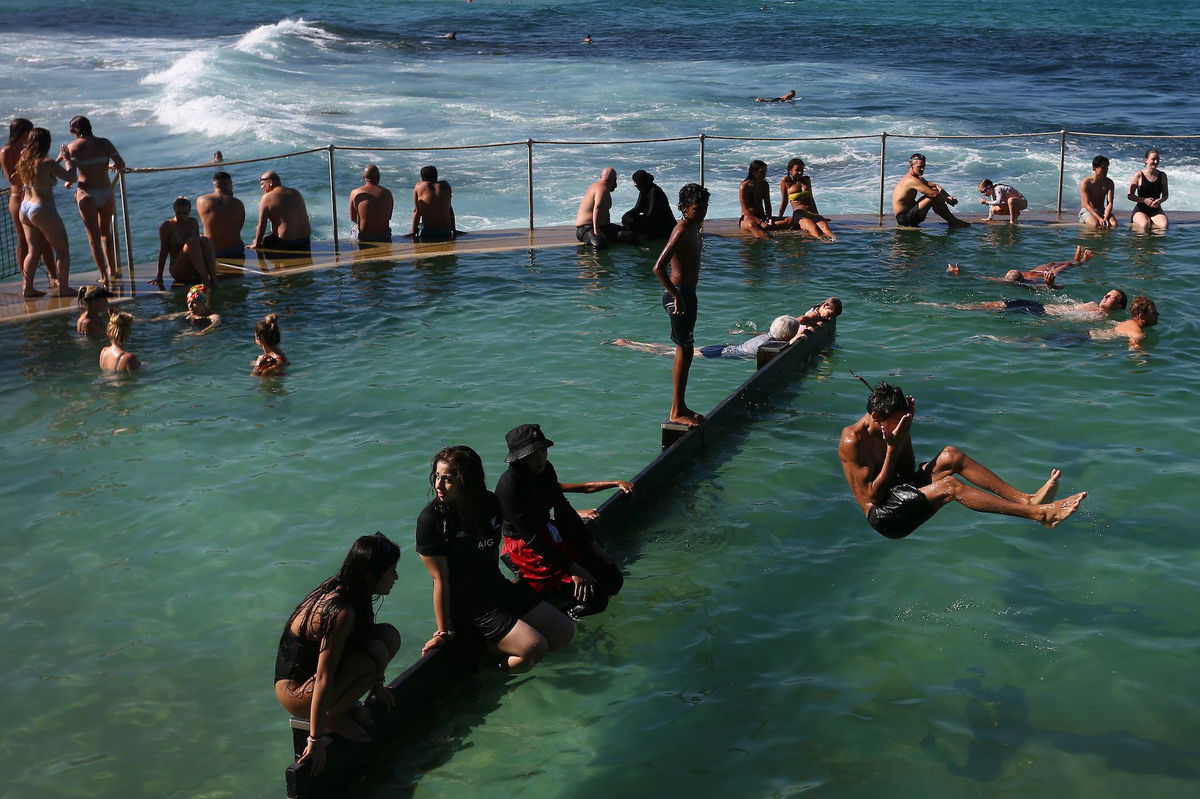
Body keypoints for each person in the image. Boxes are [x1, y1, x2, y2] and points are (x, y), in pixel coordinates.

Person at [838, 377, 1087, 540]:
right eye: (897, 421)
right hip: (885, 516)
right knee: (950, 487)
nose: (901, 425)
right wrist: (893, 448)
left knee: (950, 455)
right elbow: (872, 496)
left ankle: (1027, 499)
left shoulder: (894, 429)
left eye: (905, 420)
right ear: (876, 416)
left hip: (900, 491)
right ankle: (1040, 515)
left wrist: (904, 437)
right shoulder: (852, 440)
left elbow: (905, 471)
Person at [416, 445, 574, 672]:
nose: (438, 485)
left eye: (447, 479)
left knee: (563, 633)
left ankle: (497, 650)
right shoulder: (431, 521)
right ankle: (492, 672)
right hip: (468, 604)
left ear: (466, 480)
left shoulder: (490, 503)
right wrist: (443, 631)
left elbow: (526, 521)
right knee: (534, 646)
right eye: (437, 477)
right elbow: (440, 580)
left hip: (497, 587)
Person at [274, 533, 402, 774]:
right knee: (370, 658)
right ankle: (334, 716)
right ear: (370, 575)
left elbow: (362, 637)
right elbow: (324, 676)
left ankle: (341, 706)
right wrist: (315, 738)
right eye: (391, 570)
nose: (395, 577)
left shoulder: (352, 589)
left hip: (311, 683)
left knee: (388, 636)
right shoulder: (340, 611)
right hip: (295, 692)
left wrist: (377, 687)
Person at [495, 425, 625, 620]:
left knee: (613, 580)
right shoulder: (509, 487)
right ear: (520, 459)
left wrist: (594, 547)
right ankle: (562, 620)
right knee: (597, 600)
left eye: (542, 451)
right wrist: (574, 569)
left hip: (549, 532)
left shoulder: (546, 469)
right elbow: (531, 538)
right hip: (525, 546)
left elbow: (564, 509)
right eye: (532, 455)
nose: (540, 459)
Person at [611, 297, 843, 358]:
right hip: (721, 354)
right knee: (670, 353)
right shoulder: (770, 343)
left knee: (676, 351)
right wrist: (797, 340)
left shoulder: (768, 336)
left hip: (725, 349)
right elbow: (783, 347)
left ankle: (631, 343)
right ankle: (630, 345)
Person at [653, 183, 710, 427]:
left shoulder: (696, 227)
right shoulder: (683, 228)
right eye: (698, 208)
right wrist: (675, 295)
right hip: (678, 295)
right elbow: (658, 267)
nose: (703, 212)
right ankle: (676, 410)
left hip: (689, 293)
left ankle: (682, 405)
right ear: (685, 208)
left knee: (686, 351)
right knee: (684, 349)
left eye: (705, 207)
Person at [15, 127, 74, 298]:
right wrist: (68, 160)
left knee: (33, 251)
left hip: (25, 208)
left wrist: (58, 160)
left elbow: (42, 172)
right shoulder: (47, 163)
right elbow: (71, 177)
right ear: (47, 143)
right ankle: (64, 288)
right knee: (62, 250)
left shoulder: (24, 159)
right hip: (42, 209)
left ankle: (28, 288)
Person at [65, 115, 124, 287]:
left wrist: (66, 158)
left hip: (87, 194)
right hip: (106, 193)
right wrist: (106, 166)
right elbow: (121, 164)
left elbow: (71, 173)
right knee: (107, 233)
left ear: (76, 130)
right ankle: (112, 270)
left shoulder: (73, 147)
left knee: (94, 238)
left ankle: (104, 276)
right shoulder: (105, 143)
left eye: (71, 130)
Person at [2, 118, 52, 283]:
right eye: (30, 131)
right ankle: (26, 280)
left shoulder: (27, 150)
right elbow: (13, 179)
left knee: (45, 239)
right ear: (23, 132)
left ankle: (54, 276)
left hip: (33, 197)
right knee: (24, 241)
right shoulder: (7, 151)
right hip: (18, 198)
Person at [947, 246, 1095, 288]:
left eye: (1010, 271)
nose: (1011, 271)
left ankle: (1075, 258)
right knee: (1065, 266)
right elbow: (1045, 287)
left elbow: (982, 277)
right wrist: (1050, 284)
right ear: (1017, 279)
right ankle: (1082, 260)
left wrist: (960, 273)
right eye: (1012, 273)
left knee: (1051, 263)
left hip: (1036, 270)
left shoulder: (1003, 279)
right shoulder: (1026, 283)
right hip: (1045, 275)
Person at [151, 197, 218, 290]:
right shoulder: (167, 226)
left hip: (195, 269)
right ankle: (205, 280)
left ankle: (214, 278)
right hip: (179, 270)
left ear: (190, 211)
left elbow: (199, 248)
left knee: (204, 240)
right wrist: (159, 276)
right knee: (192, 241)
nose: (182, 216)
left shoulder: (193, 222)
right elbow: (163, 251)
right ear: (174, 210)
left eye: (185, 213)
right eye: (178, 213)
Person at [892, 153, 969, 228]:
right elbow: (934, 195)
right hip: (904, 219)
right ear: (912, 165)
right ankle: (953, 221)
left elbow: (936, 186)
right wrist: (948, 200)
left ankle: (953, 221)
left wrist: (948, 196)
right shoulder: (910, 180)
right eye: (919, 167)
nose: (922, 169)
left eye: (924, 167)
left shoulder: (918, 178)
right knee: (933, 196)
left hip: (912, 214)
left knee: (935, 191)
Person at [951, 288, 1127, 319]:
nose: (1105, 296)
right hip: (1039, 305)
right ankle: (957, 307)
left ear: (1118, 307)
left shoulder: (1099, 317)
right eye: (1107, 293)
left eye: (1110, 297)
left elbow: (1070, 319)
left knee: (998, 311)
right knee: (998, 304)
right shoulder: (1091, 303)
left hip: (1040, 313)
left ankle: (963, 310)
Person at [574, 166, 637, 249]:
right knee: (599, 245)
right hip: (587, 229)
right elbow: (597, 207)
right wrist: (596, 231)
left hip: (604, 227)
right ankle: (593, 260)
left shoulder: (598, 186)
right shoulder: (602, 188)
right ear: (612, 180)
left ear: (601, 177)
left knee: (628, 234)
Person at [249, 170, 311, 254]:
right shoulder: (295, 192)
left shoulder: (267, 197)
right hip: (305, 240)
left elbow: (262, 225)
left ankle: (275, 265)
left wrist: (257, 243)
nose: (261, 187)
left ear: (270, 182)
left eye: (262, 184)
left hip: (287, 243)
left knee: (264, 240)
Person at [777, 158, 834, 239]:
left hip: (812, 213)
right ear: (790, 170)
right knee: (813, 228)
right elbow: (784, 201)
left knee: (826, 229)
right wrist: (780, 217)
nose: (800, 172)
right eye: (797, 170)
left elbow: (811, 198)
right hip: (800, 215)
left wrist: (817, 214)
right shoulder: (786, 181)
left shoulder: (806, 179)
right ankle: (822, 242)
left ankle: (835, 243)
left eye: (802, 170)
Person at [196, 171, 246, 259]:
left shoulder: (201, 200)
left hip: (213, 251)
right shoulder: (238, 203)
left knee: (200, 236)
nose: (232, 187)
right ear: (227, 184)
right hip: (236, 250)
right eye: (231, 184)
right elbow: (239, 227)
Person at [406, 165, 459, 242]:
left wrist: (413, 232)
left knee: (420, 227)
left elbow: (417, 212)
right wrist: (454, 230)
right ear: (436, 175)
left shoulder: (419, 186)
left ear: (422, 177)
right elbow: (449, 209)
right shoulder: (445, 185)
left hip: (428, 232)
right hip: (446, 232)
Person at [620, 170, 676, 240]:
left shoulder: (654, 191)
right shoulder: (644, 189)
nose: (634, 184)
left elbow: (651, 214)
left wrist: (635, 220)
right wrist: (626, 216)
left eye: (635, 182)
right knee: (627, 218)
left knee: (636, 222)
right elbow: (637, 208)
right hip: (652, 222)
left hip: (664, 226)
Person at [739, 160, 784, 239]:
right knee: (752, 225)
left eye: (765, 171)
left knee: (788, 221)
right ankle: (770, 241)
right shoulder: (745, 186)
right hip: (748, 218)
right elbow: (745, 211)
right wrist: (760, 222)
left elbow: (767, 204)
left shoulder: (764, 184)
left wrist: (769, 218)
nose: (764, 174)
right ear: (754, 172)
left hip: (762, 216)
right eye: (762, 171)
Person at [349, 164, 394, 244]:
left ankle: (357, 251)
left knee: (354, 229)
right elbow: (389, 217)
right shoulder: (387, 193)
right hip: (384, 236)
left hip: (364, 237)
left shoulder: (355, 193)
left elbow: (353, 218)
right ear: (378, 177)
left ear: (363, 178)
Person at [1092, 295, 1158, 346]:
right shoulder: (1138, 332)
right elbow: (1134, 347)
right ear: (1142, 316)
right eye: (1153, 313)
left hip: (1090, 334)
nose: (1158, 314)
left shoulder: (1128, 322)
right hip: (1089, 340)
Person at [1127, 149, 1168, 230]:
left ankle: (1155, 242)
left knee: (1164, 226)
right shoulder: (1139, 175)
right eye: (1153, 159)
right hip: (1140, 210)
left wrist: (1159, 201)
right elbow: (1130, 196)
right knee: (1145, 224)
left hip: (1156, 210)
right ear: (1146, 160)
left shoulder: (1162, 175)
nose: (1156, 162)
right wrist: (1144, 200)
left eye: (1158, 160)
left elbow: (1165, 195)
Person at [1078, 155, 1118, 229]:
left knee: (1114, 224)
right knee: (1095, 224)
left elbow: (1110, 203)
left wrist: (1105, 218)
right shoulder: (1086, 183)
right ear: (1094, 168)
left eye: (1107, 168)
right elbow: (1087, 205)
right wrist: (1099, 219)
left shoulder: (1109, 183)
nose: (1106, 170)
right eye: (1103, 168)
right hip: (1087, 210)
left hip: (1102, 210)